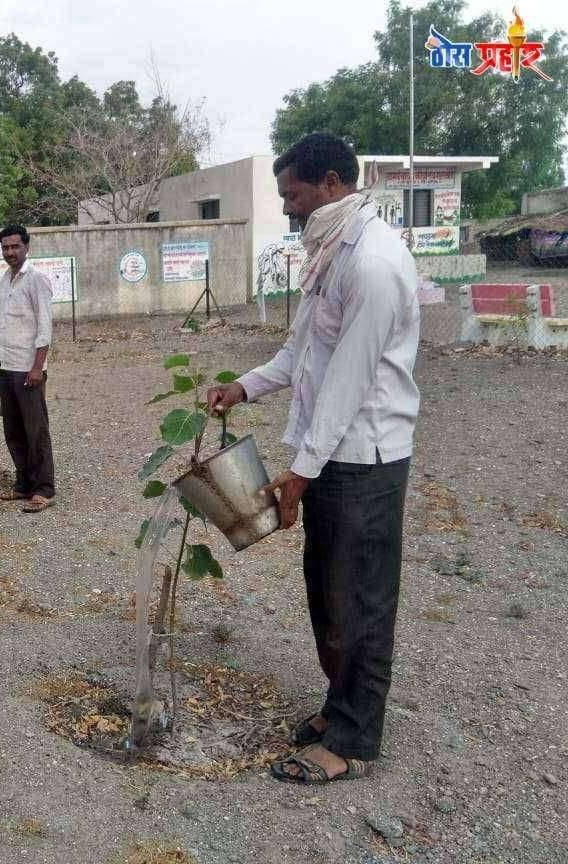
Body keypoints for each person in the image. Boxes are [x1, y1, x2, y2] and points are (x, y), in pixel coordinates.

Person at [206, 133, 421, 785]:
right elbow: (300, 354)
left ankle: (355, 739)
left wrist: (298, 476)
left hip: (364, 459)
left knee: (360, 598)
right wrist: (243, 385)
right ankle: (339, 705)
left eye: (293, 195)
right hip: (325, 455)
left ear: (330, 183)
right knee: (328, 596)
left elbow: (349, 382)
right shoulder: (331, 253)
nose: (289, 208)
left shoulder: (373, 264)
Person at [0, 224, 55, 513]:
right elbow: (7, 325)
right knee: (13, 430)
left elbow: (44, 326)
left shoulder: (36, 279)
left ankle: (44, 489)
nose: (10, 252)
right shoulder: (5, 280)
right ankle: (23, 484)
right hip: (8, 368)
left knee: (35, 430)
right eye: (5, 247)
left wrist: (38, 367)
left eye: (15, 246)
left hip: (29, 370)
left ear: (27, 247)